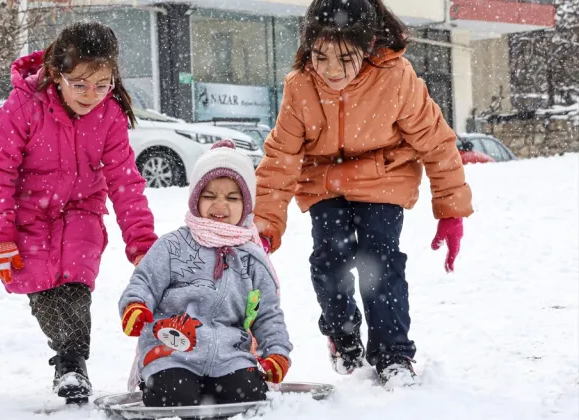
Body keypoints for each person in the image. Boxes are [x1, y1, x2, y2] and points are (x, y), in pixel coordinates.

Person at [254, 0, 472, 387]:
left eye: (344, 58)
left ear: (368, 45)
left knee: (380, 260)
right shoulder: (300, 87)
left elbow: (436, 142)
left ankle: (393, 355)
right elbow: (281, 158)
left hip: (382, 178)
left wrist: (451, 210)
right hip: (324, 183)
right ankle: (343, 334)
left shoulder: (396, 78)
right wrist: (266, 223)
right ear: (308, 47)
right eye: (320, 57)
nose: (331, 71)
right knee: (330, 258)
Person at [0, 21, 157, 403]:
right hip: (29, 215)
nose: (91, 94)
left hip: (82, 212)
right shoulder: (23, 107)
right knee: (44, 293)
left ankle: (72, 363)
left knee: (76, 286)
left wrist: (142, 241)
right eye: (80, 84)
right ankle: (65, 351)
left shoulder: (109, 116)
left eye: (102, 84)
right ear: (57, 74)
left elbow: (125, 183)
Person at [119, 140, 292, 407]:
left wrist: (277, 353)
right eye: (209, 195)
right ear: (195, 199)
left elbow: (268, 313)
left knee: (247, 395)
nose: (219, 205)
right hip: (172, 351)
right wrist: (135, 305)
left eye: (232, 197)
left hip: (230, 356)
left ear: (246, 205)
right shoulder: (172, 246)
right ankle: (163, 387)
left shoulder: (251, 258)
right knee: (174, 394)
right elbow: (144, 281)